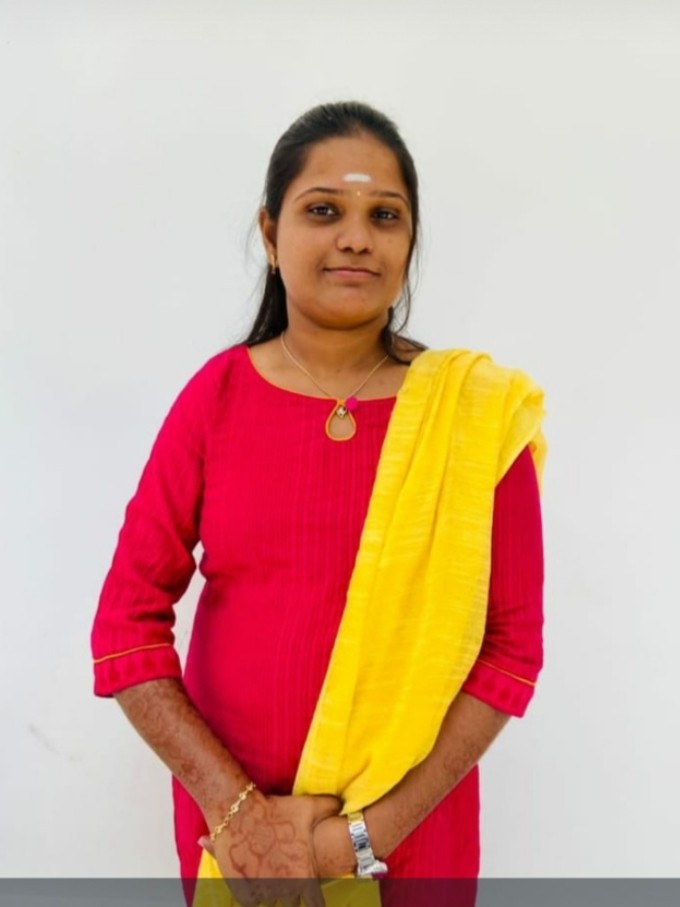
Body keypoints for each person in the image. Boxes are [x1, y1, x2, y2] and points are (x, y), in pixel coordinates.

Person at [91, 100, 546, 907]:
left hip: (412, 841)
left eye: (385, 215)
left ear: (410, 241)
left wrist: (367, 835)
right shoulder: (216, 399)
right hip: (238, 843)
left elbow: (510, 650)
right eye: (324, 210)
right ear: (271, 234)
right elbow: (126, 624)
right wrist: (239, 813)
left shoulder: (472, 417)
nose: (356, 237)